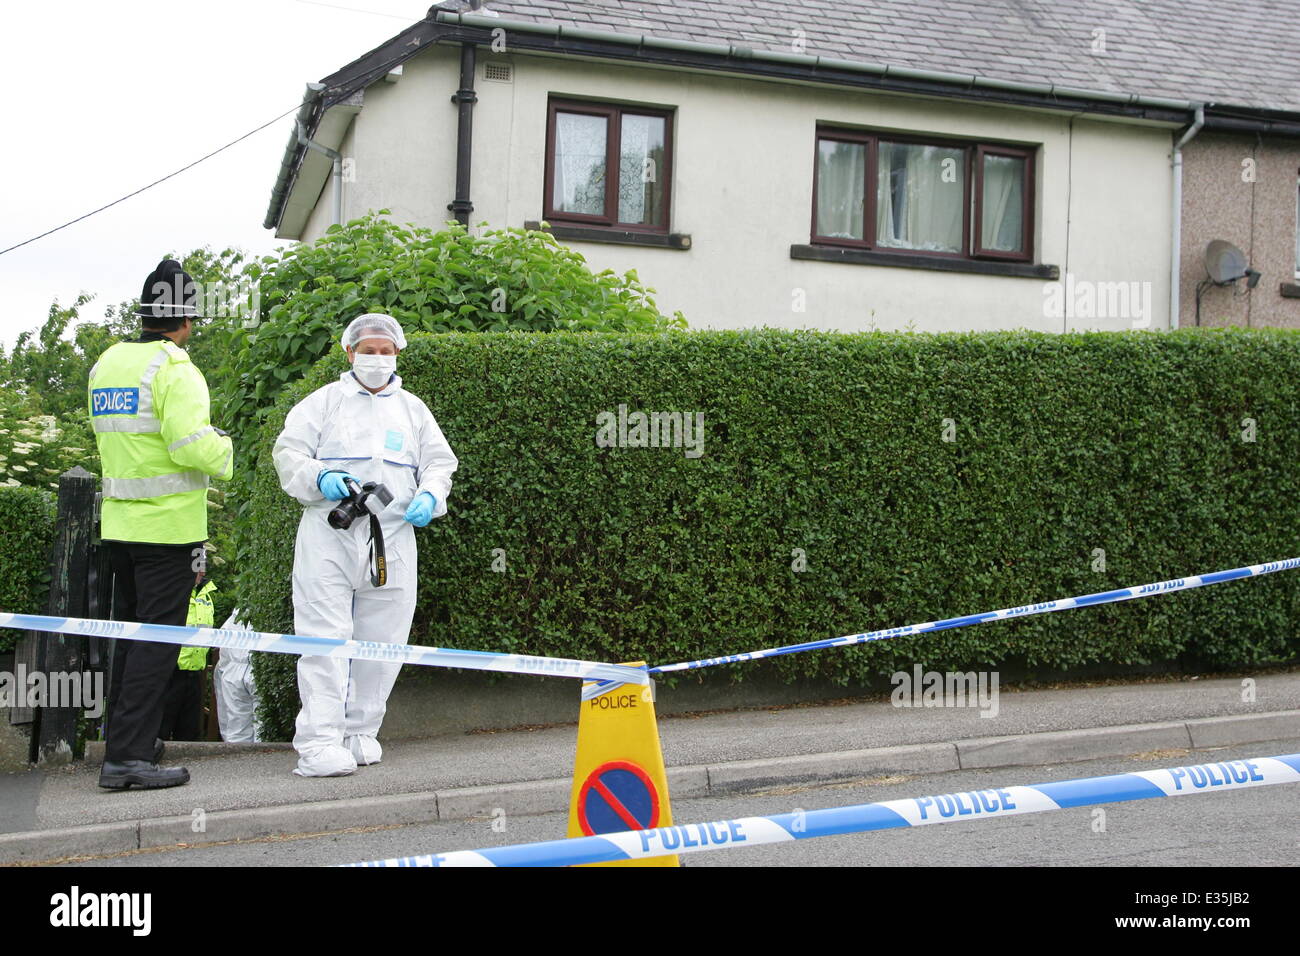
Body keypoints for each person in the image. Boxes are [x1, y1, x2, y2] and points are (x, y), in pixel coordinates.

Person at [272, 313, 458, 777]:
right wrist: (322, 476)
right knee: (324, 637)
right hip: (329, 536)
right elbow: (288, 453)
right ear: (349, 353)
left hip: (393, 537)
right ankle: (318, 742)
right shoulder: (325, 402)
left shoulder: (413, 410)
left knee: (384, 638)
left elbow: (439, 462)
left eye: (385, 350)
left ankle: (360, 731)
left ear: (398, 353)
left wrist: (431, 495)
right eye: (368, 351)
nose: (376, 359)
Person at [90, 259, 234, 789]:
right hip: (168, 531)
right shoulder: (176, 368)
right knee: (157, 643)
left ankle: (129, 744)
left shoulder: (108, 363)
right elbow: (189, 444)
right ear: (186, 320)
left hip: (120, 525)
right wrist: (230, 450)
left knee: (131, 638)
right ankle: (127, 761)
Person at [158, 571, 217, 741]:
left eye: (203, 565)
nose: (202, 571)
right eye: (197, 566)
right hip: (170, 672)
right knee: (160, 729)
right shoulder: (174, 592)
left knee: (188, 732)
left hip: (195, 672)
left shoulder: (206, 595)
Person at [213, 609, 261, 743]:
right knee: (238, 730)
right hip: (236, 670)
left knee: (251, 730)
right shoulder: (239, 611)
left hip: (240, 670)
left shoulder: (239, 611)